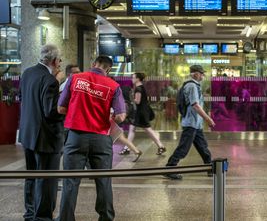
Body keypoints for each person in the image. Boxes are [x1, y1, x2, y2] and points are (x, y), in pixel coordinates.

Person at [56, 56, 126, 221]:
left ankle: (65, 218)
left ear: (93, 64)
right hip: (101, 139)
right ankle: (106, 217)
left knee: (70, 181)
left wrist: (77, 113)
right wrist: (106, 118)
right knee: (103, 181)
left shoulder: (75, 78)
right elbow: (121, 116)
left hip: (75, 137)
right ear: (108, 69)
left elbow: (60, 108)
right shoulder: (113, 86)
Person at [18, 44, 65, 220]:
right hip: (46, 138)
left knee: (31, 176)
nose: (60, 64)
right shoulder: (50, 79)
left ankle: (30, 213)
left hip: (27, 134)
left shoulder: (28, 73)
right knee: (47, 179)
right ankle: (43, 217)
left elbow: (23, 99)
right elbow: (51, 111)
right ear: (54, 61)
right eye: (59, 60)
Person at [164, 65, 216, 180]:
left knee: (203, 147)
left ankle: (210, 167)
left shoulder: (195, 85)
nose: (203, 75)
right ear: (195, 74)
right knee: (183, 148)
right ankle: (169, 168)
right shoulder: (192, 86)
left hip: (196, 123)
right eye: (201, 73)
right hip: (191, 123)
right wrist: (208, 119)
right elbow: (196, 105)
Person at [119, 72, 166, 156]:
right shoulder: (141, 87)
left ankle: (161, 146)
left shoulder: (138, 88)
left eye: (133, 78)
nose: (132, 79)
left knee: (147, 130)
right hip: (141, 112)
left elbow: (137, 101)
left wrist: (131, 99)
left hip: (141, 113)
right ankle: (127, 148)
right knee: (133, 129)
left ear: (138, 79)